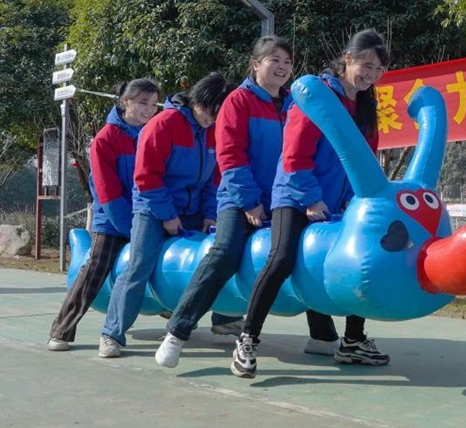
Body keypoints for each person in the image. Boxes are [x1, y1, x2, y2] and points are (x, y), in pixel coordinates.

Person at [155, 36, 340, 368]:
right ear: (255, 65)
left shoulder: (295, 103)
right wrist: (249, 202)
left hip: (285, 197)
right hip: (239, 200)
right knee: (224, 253)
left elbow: (304, 154)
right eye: (274, 60)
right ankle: (178, 331)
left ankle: (322, 335)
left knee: (305, 251)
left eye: (287, 62)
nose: (282, 67)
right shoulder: (238, 101)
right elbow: (230, 156)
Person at [231, 29, 393, 378]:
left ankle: (353, 341)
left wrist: (355, 201)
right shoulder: (317, 95)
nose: (371, 75)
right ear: (347, 59)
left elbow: (366, 160)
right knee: (281, 260)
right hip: (294, 195)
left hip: (339, 201)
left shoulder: (365, 105)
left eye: (378, 70)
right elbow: (294, 155)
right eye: (366, 66)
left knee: (359, 258)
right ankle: (247, 339)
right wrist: (310, 199)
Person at [98, 72, 233, 357]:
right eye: (211, 110)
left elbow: (214, 179)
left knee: (222, 256)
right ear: (198, 102)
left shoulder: (213, 131)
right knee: (138, 267)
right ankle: (112, 333)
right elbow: (146, 178)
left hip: (193, 210)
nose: (214, 118)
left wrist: (210, 214)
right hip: (152, 207)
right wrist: (167, 216)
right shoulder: (164, 124)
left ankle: (225, 317)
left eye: (220, 113)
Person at [47, 78, 160, 351]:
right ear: (126, 102)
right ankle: (62, 330)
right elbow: (106, 192)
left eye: (154, 104)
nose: (149, 109)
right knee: (95, 269)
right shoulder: (105, 139)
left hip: (147, 217)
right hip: (112, 221)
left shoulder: (153, 134)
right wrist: (131, 228)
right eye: (143, 102)